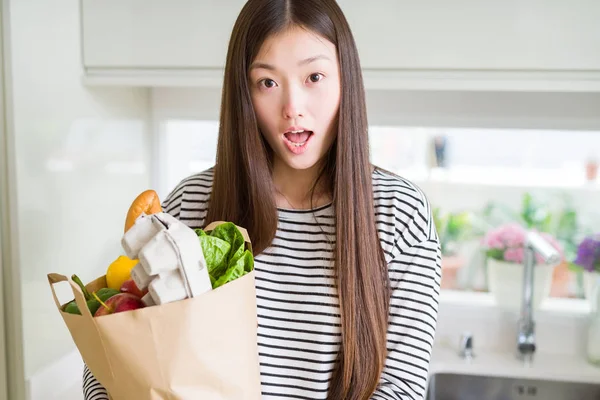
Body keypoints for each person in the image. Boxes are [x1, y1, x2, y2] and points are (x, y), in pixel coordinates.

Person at [82, 0, 442, 399]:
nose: (293, 109)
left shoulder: (398, 215)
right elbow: (108, 365)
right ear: (244, 93)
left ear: (346, 80)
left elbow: (400, 390)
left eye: (314, 76)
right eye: (267, 83)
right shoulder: (190, 207)